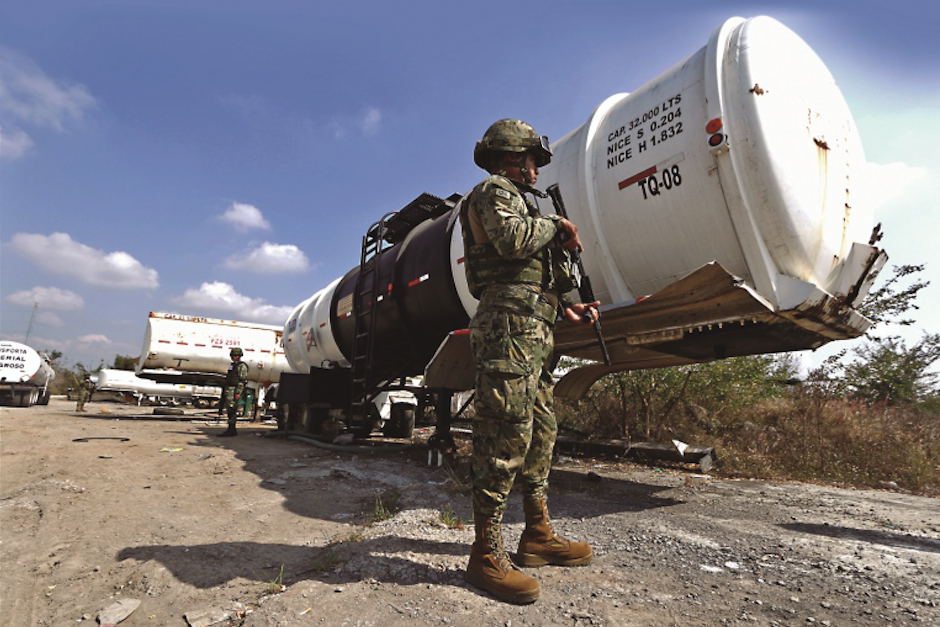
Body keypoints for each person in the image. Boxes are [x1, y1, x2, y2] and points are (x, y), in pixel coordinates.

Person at [459, 118, 600, 604]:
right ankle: (485, 553)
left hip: (534, 326)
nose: (537, 170)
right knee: (505, 432)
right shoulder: (493, 191)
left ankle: (537, 534)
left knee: (540, 430)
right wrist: (557, 226)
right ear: (511, 157)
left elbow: (533, 273)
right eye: (532, 161)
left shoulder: (523, 202)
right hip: (508, 326)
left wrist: (568, 305)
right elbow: (511, 241)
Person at [218, 347, 249, 437]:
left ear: (239, 356)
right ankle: (231, 429)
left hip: (234, 390)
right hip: (228, 389)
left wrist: (238, 392)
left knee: (232, 410)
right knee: (229, 409)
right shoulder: (232, 365)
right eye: (232, 355)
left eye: (235, 355)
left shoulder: (241, 366)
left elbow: (242, 381)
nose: (233, 357)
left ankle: (231, 429)